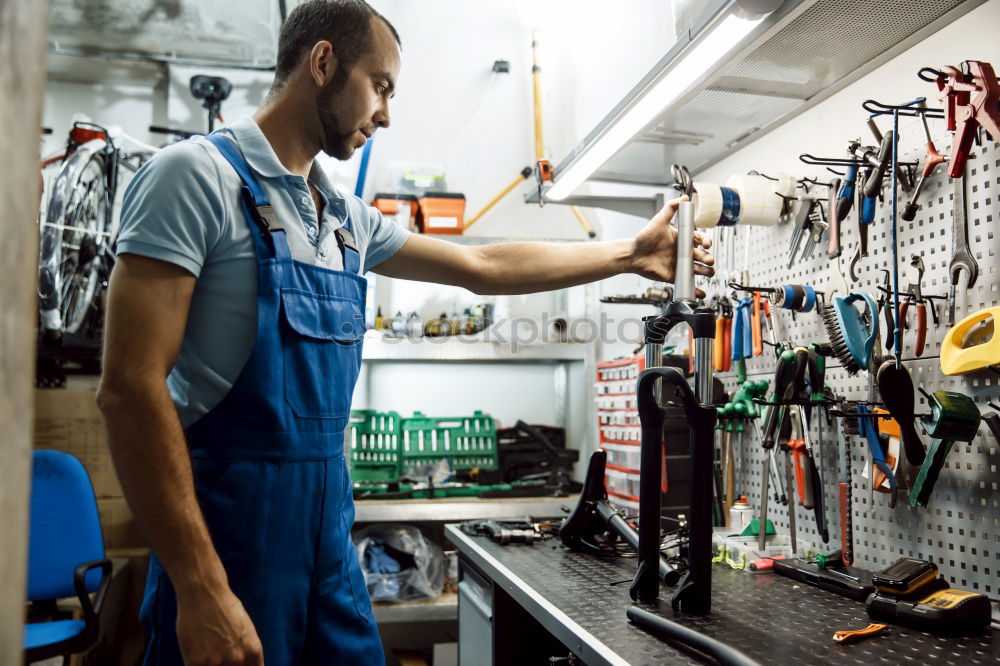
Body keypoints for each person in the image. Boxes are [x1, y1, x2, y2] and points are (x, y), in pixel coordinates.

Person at [97, 1, 714, 664]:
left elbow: (481, 264)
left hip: (329, 539)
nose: (386, 114)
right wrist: (200, 587)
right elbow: (129, 390)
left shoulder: (341, 218)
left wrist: (628, 253)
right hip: (229, 545)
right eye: (381, 86)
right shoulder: (195, 177)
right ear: (324, 62)